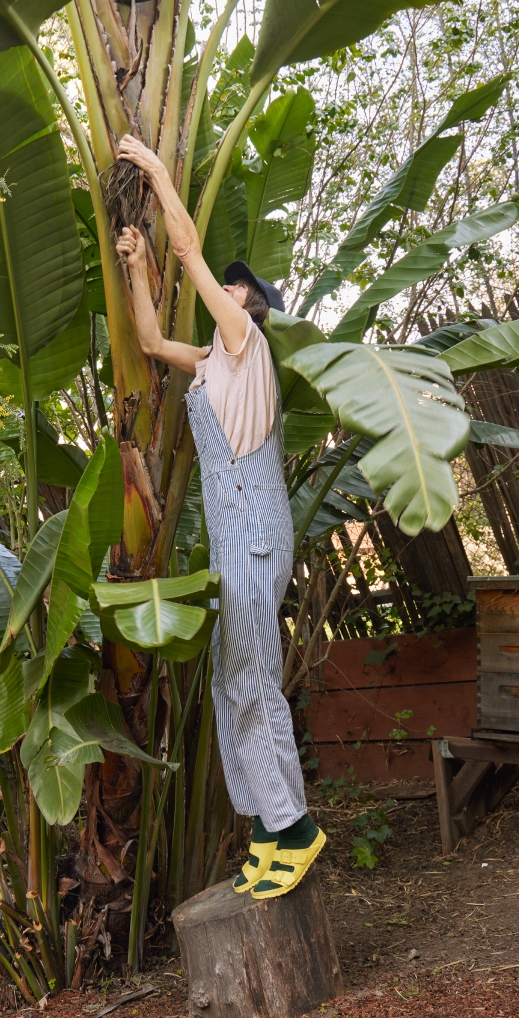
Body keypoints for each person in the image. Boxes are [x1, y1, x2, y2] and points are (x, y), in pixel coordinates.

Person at [115, 134, 325, 898]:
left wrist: (160, 173)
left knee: (256, 680)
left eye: (234, 285)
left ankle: (298, 827)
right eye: (223, 284)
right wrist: (138, 268)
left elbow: (191, 246)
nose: (223, 287)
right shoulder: (209, 365)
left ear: (247, 304)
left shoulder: (246, 344)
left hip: (255, 529)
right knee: (233, 682)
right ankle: (268, 828)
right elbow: (146, 338)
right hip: (234, 533)